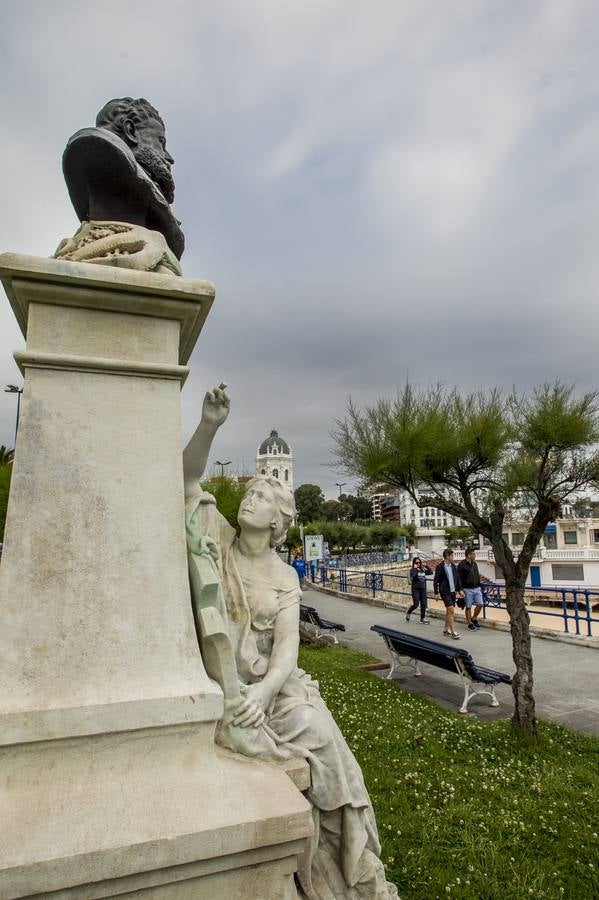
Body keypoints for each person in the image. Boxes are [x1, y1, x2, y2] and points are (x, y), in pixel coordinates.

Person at [184, 385, 398, 899]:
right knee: (313, 733)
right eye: (251, 491)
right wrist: (209, 424)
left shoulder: (285, 578)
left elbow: (286, 655)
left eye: (262, 493)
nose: (251, 497)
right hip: (229, 680)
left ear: (279, 521)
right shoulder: (218, 539)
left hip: (274, 688)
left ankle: (352, 859)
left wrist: (263, 693)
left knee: (323, 739)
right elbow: (186, 477)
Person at [433, 548, 464, 639]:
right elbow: (436, 580)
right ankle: (453, 631)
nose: (453, 557)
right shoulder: (440, 567)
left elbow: (457, 579)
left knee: (448, 612)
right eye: (452, 556)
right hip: (445, 592)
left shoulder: (453, 566)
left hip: (453, 592)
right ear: (447, 556)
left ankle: (445, 629)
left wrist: (460, 590)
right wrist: (436, 592)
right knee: (451, 610)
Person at [457, 547, 484, 630]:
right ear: (469, 555)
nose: (475, 555)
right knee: (468, 607)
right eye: (473, 554)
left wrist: (479, 586)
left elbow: (477, 575)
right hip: (467, 589)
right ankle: (470, 623)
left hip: (477, 588)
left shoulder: (474, 563)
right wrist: (460, 589)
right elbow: (459, 578)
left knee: (480, 604)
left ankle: (474, 618)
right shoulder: (461, 565)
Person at [405, 556, 433, 624]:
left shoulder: (422, 569)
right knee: (416, 604)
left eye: (419, 562)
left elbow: (430, 572)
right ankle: (409, 612)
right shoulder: (412, 570)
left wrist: (426, 566)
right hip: (415, 589)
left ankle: (422, 619)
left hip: (423, 589)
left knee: (423, 604)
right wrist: (415, 569)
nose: (418, 564)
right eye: (416, 562)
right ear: (414, 563)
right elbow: (413, 575)